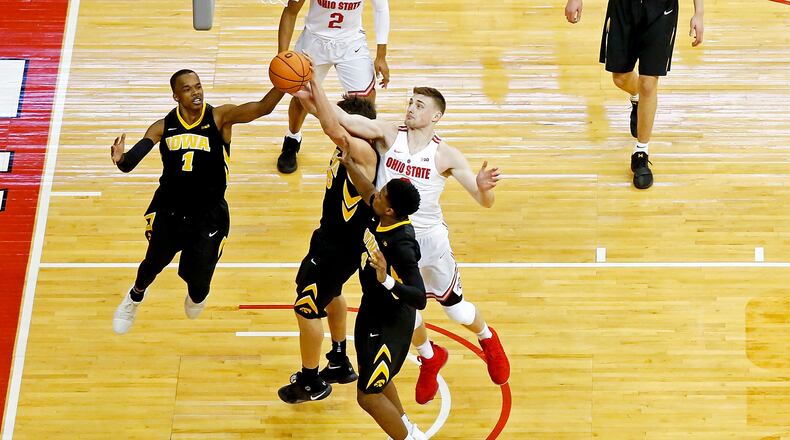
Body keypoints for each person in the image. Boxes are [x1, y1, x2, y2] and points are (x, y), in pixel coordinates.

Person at [330, 86, 510, 405]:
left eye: (419, 105)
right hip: (398, 239)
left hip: (432, 242)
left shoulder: (446, 154)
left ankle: (487, 337)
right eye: (411, 102)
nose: (411, 108)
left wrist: (484, 188)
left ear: (436, 116)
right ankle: (430, 357)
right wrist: (309, 92)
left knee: (455, 310)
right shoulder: (388, 133)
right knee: (406, 311)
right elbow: (343, 118)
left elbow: (486, 201)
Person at [110, 69, 285, 334]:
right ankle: (134, 297)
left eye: (198, 86)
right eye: (188, 88)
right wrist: (121, 158)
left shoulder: (220, 118)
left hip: (209, 213)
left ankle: (196, 294)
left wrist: (286, 83)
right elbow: (130, 162)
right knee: (152, 264)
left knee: (199, 285)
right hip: (170, 209)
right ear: (176, 96)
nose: (196, 92)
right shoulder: (162, 127)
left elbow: (262, 108)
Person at [277, 87, 380, 404]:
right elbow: (327, 118)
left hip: (340, 248)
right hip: (328, 240)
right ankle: (338, 360)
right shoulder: (346, 147)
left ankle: (310, 381)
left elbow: (329, 123)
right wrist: (301, 91)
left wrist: (311, 87)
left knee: (306, 308)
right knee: (332, 294)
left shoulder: (364, 152)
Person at [564, 0, 704, 189]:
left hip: (662, 9)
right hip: (623, 8)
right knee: (620, 78)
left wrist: (699, 13)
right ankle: (638, 97)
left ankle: (641, 153)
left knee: (648, 84)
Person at [343, 153, 427, 440]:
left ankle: (406, 438)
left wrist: (386, 279)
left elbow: (419, 298)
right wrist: (349, 164)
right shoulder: (380, 212)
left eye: (382, 196)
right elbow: (367, 189)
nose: (376, 195)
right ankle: (408, 430)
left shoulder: (402, 244)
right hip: (373, 310)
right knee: (377, 378)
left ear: (390, 210)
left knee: (367, 396)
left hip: (391, 323)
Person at [274, 0, 390, 174]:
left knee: (365, 101)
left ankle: (361, 148)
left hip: (350, 42)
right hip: (314, 42)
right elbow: (290, 12)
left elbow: (381, 9)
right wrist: (282, 55)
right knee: (301, 98)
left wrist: (381, 55)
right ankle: (292, 139)